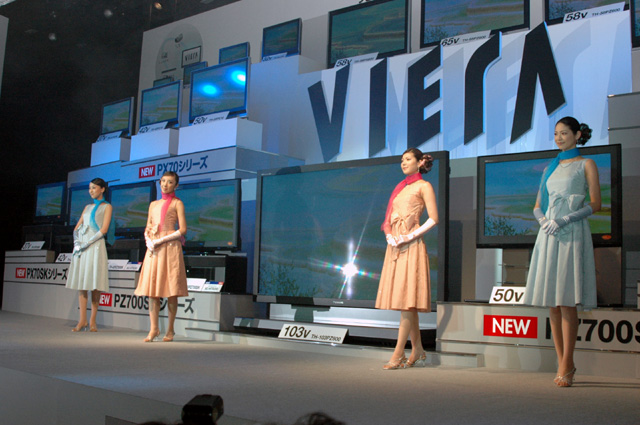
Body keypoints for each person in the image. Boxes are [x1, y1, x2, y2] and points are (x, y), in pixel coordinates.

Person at [524, 116, 600, 387]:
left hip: (572, 232)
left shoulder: (586, 164)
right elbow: (537, 205)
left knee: (567, 300)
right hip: (549, 234)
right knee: (552, 303)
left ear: (577, 135)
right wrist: (543, 221)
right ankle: (561, 361)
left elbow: (596, 203)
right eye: (556, 133)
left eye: (564, 133)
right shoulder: (550, 167)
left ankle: (568, 361)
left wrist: (566, 219)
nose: (559, 138)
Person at [375, 148, 438, 370]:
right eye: (402, 160)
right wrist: (390, 236)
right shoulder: (400, 188)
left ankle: (399, 352)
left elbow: (434, 218)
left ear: (420, 162)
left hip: (411, 245)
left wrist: (409, 236)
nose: (403, 163)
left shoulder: (424, 186)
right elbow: (388, 219)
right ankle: (418, 349)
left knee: (406, 301)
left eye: (408, 159)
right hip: (395, 246)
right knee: (407, 301)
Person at [135, 171, 188, 342]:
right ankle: (154, 329)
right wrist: (149, 241)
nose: (165, 185)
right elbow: (148, 226)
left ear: (176, 185)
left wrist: (161, 240)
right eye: (163, 181)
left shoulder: (177, 203)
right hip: (154, 249)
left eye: (170, 182)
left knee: (171, 290)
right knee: (153, 290)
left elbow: (183, 229)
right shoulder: (153, 204)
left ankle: (170, 330)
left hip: (170, 247)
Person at [66, 178, 113, 332]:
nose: (91, 191)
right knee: (82, 284)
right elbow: (77, 227)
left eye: (94, 188)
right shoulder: (87, 207)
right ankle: (82, 320)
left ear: (102, 189)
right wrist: (77, 242)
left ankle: (92, 320)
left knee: (94, 283)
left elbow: (104, 229)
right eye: (89, 188)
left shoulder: (107, 207)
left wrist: (88, 243)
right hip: (82, 248)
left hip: (95, 246)